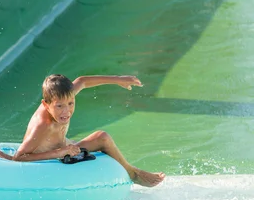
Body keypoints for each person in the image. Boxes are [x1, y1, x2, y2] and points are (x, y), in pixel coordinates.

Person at [13, 74, 165, 187]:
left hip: (63, 148)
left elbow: (83, 81)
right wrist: (58, 153)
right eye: (59, 106)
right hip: (47, 161)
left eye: (71, 103)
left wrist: (118, 79)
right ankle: (134, 174)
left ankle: (132, 172)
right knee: (98, 138)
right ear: (46, 105)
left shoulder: (65, 95)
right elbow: (18, 157)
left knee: (102, 137)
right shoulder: (42, 125)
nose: (66, 111)